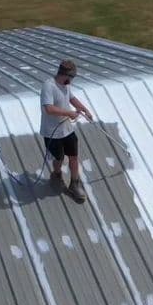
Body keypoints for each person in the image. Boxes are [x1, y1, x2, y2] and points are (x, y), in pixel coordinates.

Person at [41, 60, 93, 203]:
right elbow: (49, 109)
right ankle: (56, 175)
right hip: (52, 132)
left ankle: (74, 183)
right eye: (71, 78)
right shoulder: (48, 86)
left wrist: (84, 109)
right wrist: (69, 113)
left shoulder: (66, 85)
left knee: (74, 156)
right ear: (64, 75)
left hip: (67, 129)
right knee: (58, 158)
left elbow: (71, 98)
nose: (71, 82)